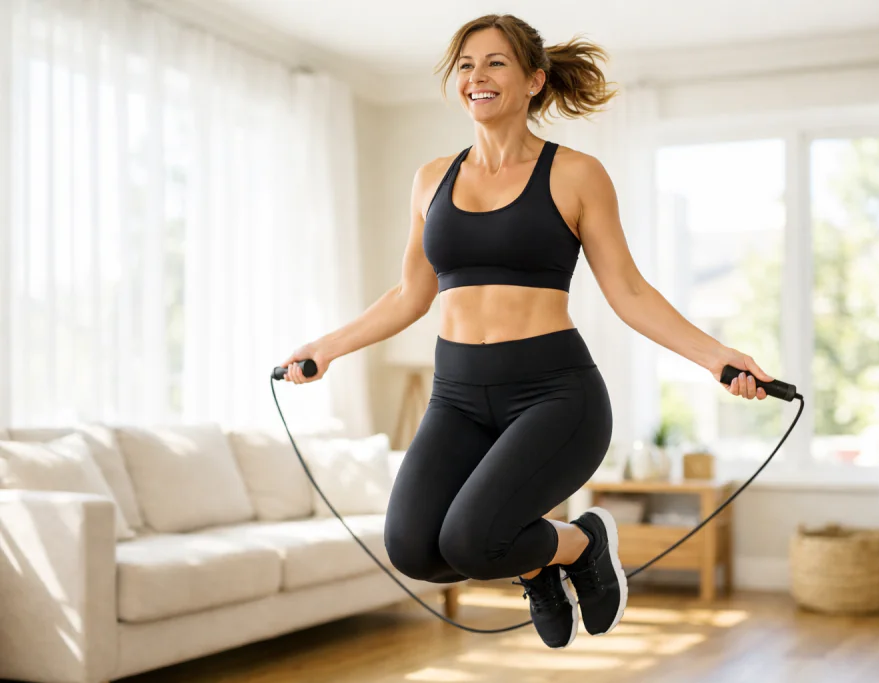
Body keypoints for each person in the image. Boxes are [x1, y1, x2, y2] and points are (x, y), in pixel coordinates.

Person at [279, 14, 773, 649]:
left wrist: (718, 357)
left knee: (471, 540)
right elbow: (410, 294)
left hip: (553, 395)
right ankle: (551, 559)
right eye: (464, 65)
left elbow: (629, 291)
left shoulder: (575, 174)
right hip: (456, 396)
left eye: (495, 63)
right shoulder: (431, 178)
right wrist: (327, 347)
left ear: (534, 79)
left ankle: (579, 542)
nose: (476, 77)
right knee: (414, 550)